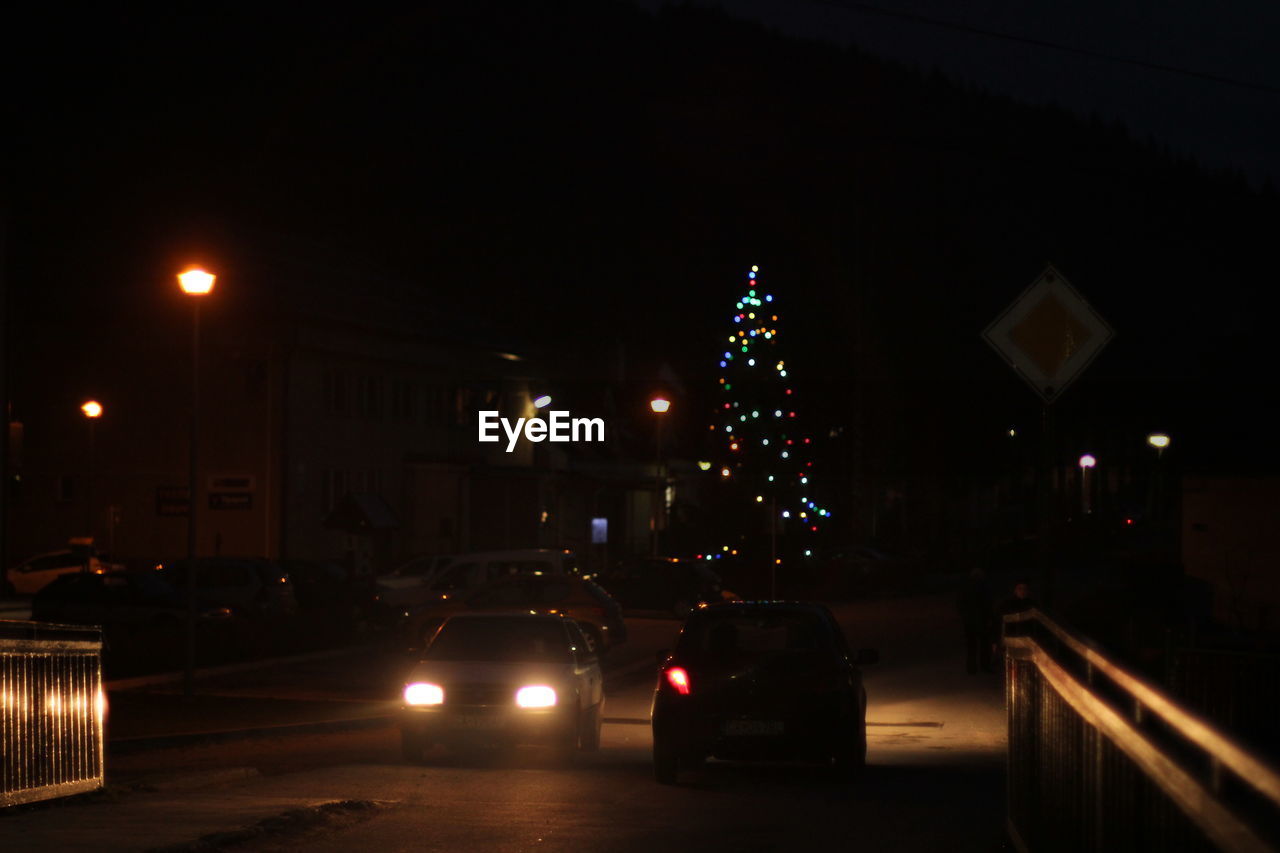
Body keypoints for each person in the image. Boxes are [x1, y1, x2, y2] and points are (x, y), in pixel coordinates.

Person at [956, 568, 995, 674]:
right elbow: (988, 604)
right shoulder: (984, 587)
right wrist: (990, 617)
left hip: (970, 621)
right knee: (983, 645)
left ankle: (972, 668)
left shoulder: (966, 587)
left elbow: (960, 604)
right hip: (981, 619)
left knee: (971, 646)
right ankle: (984, 666)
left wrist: (964, 616)